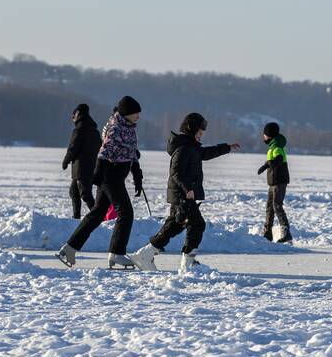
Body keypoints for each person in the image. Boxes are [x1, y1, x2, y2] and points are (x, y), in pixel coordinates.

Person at [141, 113, 239, 273]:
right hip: (183, 195)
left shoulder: (191, 147)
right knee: (197, 224)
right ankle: (188, 262)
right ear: (192, 130)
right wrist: (188, 189)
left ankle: (146, 254)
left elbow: (206, 153)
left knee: (175, 225)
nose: (201, 137)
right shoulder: (184, 148)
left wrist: (226, 148)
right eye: (199, 133)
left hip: (183, 194)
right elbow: (176, 172)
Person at [57, 97, 144, 270]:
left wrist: (137, 176)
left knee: (97, 214)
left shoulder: (129, 128)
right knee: (125, 212)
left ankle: (69, 248)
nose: (138, 117)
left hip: (116, 176)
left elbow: (132, 154)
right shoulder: (116, 128)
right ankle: (117, 252)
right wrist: (96, 176)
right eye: (136, 113)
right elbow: (103, 153)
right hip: (109, 175)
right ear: (126, 113)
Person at [61, 103, 101, 220]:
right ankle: (76, 217)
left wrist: (66, 160)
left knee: (85, 194)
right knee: (74, 192)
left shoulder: (79, 130)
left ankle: (97, 217)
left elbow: (73, 148)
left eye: (73, 115)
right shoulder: (94, 131)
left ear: (78, 115)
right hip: (91, 166)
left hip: (81, 168)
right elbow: (100, 146)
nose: (72, 118)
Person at [258, 121, 292, 243]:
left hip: (279, 181)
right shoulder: (273, 145)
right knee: (269, 207)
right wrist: (266, 165)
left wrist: (268, 164)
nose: (263, 136)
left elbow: (279, 158)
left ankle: (286, 232)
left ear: (269, 135)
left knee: (277, 206)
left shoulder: (277, 146)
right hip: (273, 182)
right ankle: (267, 234)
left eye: (264, 134)